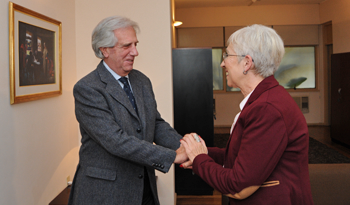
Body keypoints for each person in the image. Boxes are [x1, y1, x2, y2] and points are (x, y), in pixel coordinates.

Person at [179, 24, 314, 205]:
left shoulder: (267, 108)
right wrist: (198, 153)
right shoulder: (265, 100)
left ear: (247, 63)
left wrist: (199, 159)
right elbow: (245, 157)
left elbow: (237, 185)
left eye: (227, 55)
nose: (222, 63)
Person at [68, 16, 186, 205]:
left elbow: (155, 124)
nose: (135, 52)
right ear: (104, 50)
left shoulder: (142, 81)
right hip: (106, 193)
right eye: (126, 46)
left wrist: (183, 145)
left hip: (144, 188)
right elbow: (116, 141)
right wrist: (172, 156)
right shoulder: (87, 88)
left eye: (135, 44)